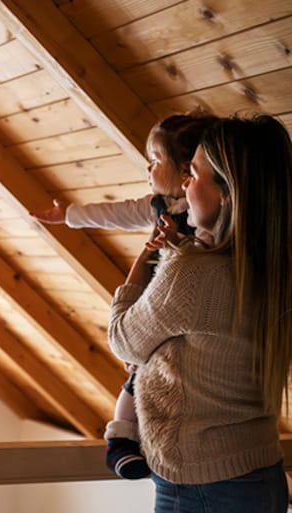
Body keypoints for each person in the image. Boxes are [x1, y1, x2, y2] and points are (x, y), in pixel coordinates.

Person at [109, 113, 291, 512]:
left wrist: (148, 254)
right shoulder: (275, 268)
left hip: (201, 485)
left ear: (226, 193)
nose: (186, 185)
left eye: (193, 174)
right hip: (260, 472)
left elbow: (123, 341)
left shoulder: (192, 273)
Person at [31, 112, 218, 479]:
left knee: (150, 373)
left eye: (155, 160)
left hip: (177, 310)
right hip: (152, 303)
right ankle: (121, 437)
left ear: (184, 171)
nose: (148, 168)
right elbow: (117, 213)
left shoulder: (207, 222)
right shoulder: (158, 206)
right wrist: (69, 215)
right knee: (136, 370)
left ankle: (133, 437)